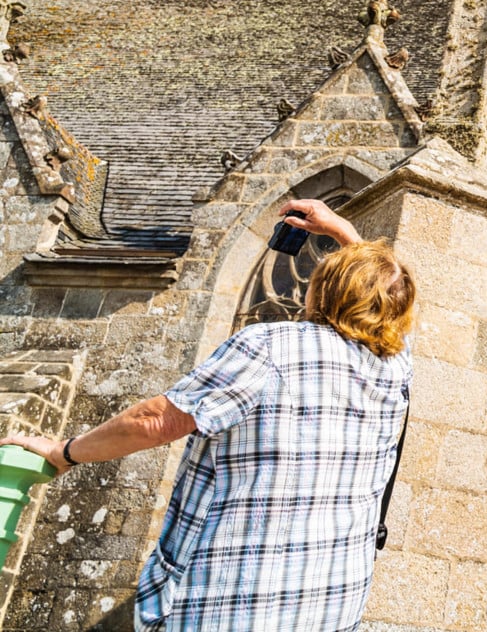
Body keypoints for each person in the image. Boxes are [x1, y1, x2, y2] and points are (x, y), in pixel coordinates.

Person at [2, 199, 413, 632]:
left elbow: (156, 421)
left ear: (325, 291)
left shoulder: (270, 346)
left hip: (237, 605)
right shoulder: (395, 367)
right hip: (331, 605)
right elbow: (388, 294)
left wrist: (64, 451)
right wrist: (343, 231)